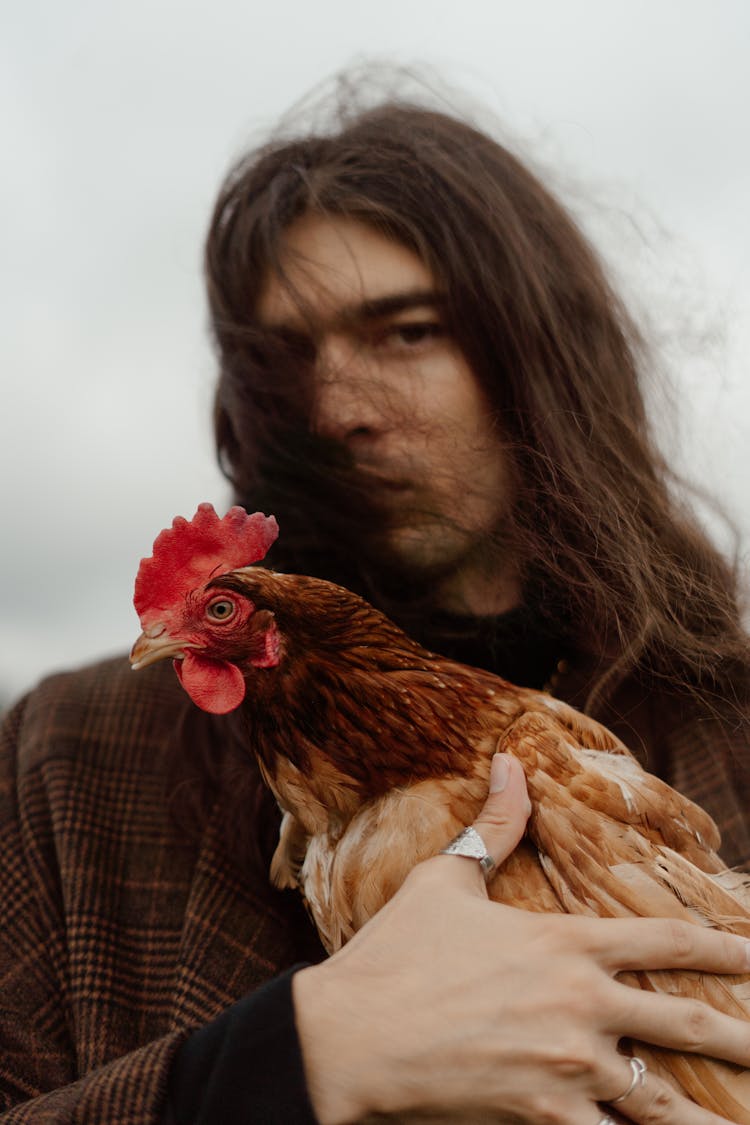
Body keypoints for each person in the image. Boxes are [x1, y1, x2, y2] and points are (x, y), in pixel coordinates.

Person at [1, 83, 749, 1125]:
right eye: (288, 356)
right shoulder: (66, 762)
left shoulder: (728, 720)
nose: (337, 408)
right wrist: (288, 1061)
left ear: (540, 360)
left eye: (404, 332)